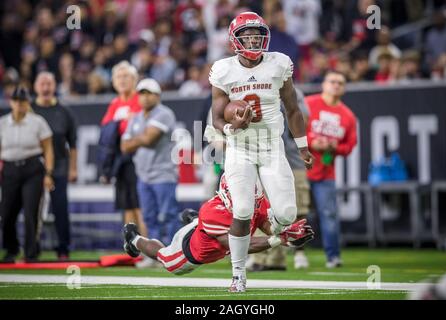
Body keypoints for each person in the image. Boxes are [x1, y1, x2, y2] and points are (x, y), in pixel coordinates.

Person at [209, 12, 313, 292]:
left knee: (288, 213)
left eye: (257, 35)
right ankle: (238, 274)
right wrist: (233, 128)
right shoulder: (223, 69)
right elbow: (217, 118)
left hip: (271, 146)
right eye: (247, 36)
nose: (254, 40)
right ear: (235, 40)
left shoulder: (279, 63)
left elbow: (293, 109)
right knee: (242, 209)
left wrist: (302, 146)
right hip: (240, 148)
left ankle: (278, 237)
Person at [122, 175, 314, 276]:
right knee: (165, 259)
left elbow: (263, 221)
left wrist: (283, 231)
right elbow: (239, 245)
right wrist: (279, 240)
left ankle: (195, 221)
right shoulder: (214, 210)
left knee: (208, 225)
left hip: (209, 229)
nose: (249, 200)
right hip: (189, 251)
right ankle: (134, 239)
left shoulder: (256, 198)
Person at [247, 89, 312, 271]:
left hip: (291, 159)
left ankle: (287, 256)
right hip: (265, 159)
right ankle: (260, 257)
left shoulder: (292, 92)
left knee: (295, 209)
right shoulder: (254, 87)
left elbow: (302, 119)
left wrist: (281, 109)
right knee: (262, 210)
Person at [121, 78, 180, 268]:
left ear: (157, 96)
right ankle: (154, 256)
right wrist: (141, 138)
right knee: (149, 217)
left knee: (168, 215)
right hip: (143, 175)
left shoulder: (165, 114)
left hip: (163, 174)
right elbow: (124, 146)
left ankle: (173, 254)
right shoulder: (137, 117)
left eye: (149, 93)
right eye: (142, 94)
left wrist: (136, 139)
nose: (145, 98)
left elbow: (149, 140)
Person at [305, 70, 357, 268]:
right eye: (333, 81)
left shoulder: (348, 116)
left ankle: (333, 256)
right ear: (324, 84)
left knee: (329, 215)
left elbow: (350, 146)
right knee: (287, 213)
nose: (336, 85)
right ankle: (277, 255)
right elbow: (292, 129)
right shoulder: (309, 104)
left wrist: (336, 147)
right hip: (299, 169)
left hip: (326, 172)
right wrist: (312, 142)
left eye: (340, 83)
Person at [0, 86, 54, 263]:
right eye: (16, 100)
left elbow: (48, 149)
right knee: (7, 212)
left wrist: (48, 173)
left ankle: (31, 252)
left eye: (22, 101)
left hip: (32, 169)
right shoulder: (3, 123)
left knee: (31, 212)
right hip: (9, 169)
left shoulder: (37, 121)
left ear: (27, 102)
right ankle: (12, 248)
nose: (19, 104)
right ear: (11, 102)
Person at [31, 71, 77, 260]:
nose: (46, 87)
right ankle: (32, 248)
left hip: (59, 166)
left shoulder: (64, 111)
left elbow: (73, 144)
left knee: (60, 209)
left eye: (49, 83)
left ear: (54, 86)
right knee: (32, 208)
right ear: (35, 87)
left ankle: (63, 248)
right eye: (42, 83)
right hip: (33, 167)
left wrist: (73, 169)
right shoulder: (29, 110)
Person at [99, 61, 147, 238]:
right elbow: (105, 132)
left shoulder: (140, 99)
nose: (122, 80)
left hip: (138, 158)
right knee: (126, 205)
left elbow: (138, 126)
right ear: (113, 82)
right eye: (119, 76)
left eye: (126, 76)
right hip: (121, 161)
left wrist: (121, 122)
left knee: (139, 204)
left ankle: (147, 247)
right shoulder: (114, 104)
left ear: (134, 79)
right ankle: (132, 247)